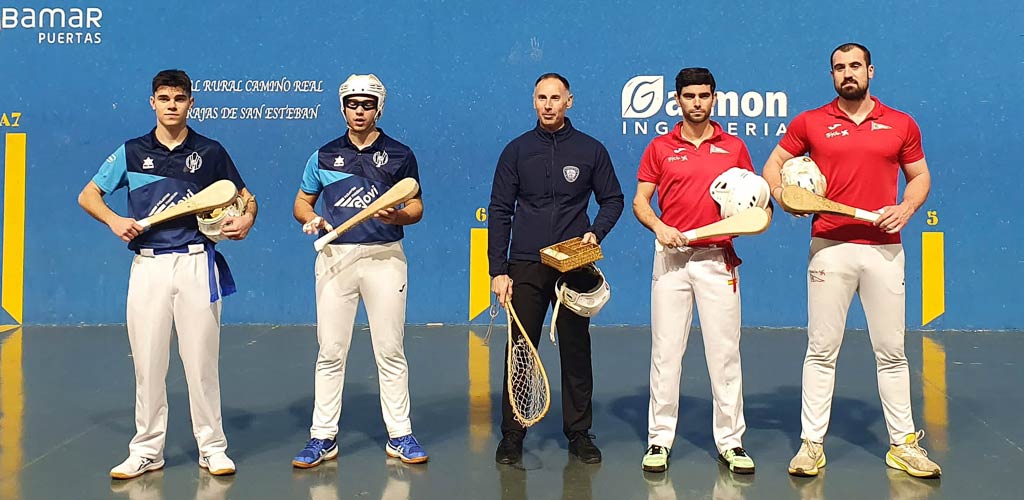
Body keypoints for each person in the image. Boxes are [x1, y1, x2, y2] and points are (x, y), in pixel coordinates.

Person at [762, 43, 941, 479]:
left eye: (855, 66)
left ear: (870, 71)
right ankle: (811, 446)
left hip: (885, 249)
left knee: (893, 352)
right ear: (832, 75)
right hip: (830, 247)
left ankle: (903, 445)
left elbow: (919, 176)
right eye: (839, 68)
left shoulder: (900, 123)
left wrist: (906, 208)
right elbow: (773, 168)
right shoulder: (810, 122)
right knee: (821, 350)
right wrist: (786, 197)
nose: (848, 73)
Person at [79, 69, 257, 479]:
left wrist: (246, 219)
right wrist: (112, 220)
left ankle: (212, 447)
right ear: (153, 103)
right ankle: (146, 450)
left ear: (191, 103)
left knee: (201, 362)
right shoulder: (131, 152)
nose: (172, 104)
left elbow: (246, 198)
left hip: (197, 263)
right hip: (148, 266)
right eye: (164, 98)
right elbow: (88, 194)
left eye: (180, 98)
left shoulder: (210, 152)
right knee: (148, 362)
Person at [633, 67, 765, 475]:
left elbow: (756, 204)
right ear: (677, 100)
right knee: (666, 353)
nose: (696, 103)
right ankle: (659, 439)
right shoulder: (659, 147)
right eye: (689, 96)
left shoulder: (735, 148)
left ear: (714, 98)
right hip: (671, 262)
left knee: (724, 354)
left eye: (704, 96)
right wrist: (660, 226)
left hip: (716, 260)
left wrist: (750, 216)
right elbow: (641, 201)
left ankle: (731, 442)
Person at [291, 73, 427, 468]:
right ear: (343, 107)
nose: (359, 111)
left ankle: (400, 434)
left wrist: (398, 212)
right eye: (352, 104)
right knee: (331, 351)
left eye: (367, 104)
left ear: (378, 108)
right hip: (335, 260)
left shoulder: (400, 155)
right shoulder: (323, 155)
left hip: (385, 259)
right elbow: (302, 202)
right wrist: (312, 219)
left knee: (389, 350)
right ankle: (322, 437)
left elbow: (416, 208)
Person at [488, 72, 624, 465]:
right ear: (534, 102)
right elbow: (499, 211)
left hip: (573, 264)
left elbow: (612, 199)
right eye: (541, 97)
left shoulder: (590, 150)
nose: (548, 104)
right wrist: (499, 269)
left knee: (576, 347)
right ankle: (513, 435)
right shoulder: (516, 151)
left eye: (555, 98)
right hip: (526, 265)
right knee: (520, 349)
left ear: (570, 101)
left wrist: (595, 234)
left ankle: (579, 433)